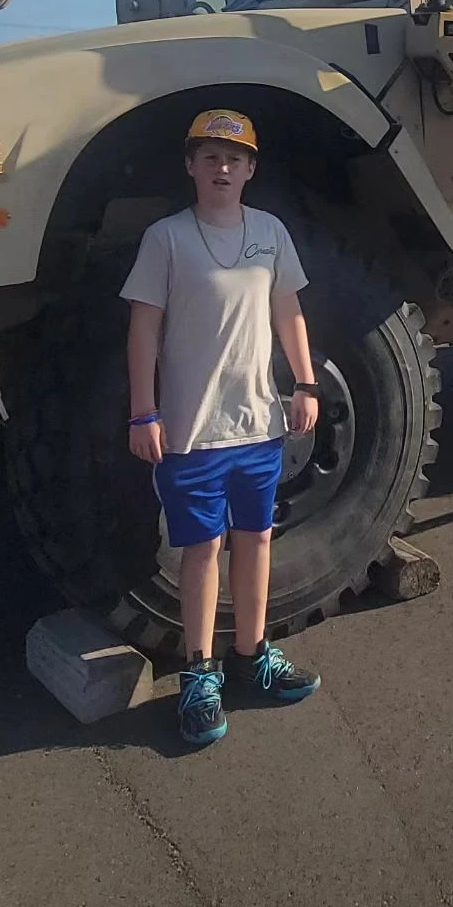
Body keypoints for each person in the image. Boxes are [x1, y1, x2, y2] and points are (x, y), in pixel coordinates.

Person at [121, 108, 322, 746]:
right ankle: (199, 673)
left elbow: (287, 309)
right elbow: (143, 329)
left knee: (256, 540)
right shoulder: (167, 239)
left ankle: (253, 657)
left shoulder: (269, 233)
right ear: (191, 166)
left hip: (259, 422)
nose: (223, 169)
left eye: (235, 160)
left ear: (251, 170)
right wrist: (142, 410)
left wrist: (306, 381)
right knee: (201, 551)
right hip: (191, 430)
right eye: (210, 158)